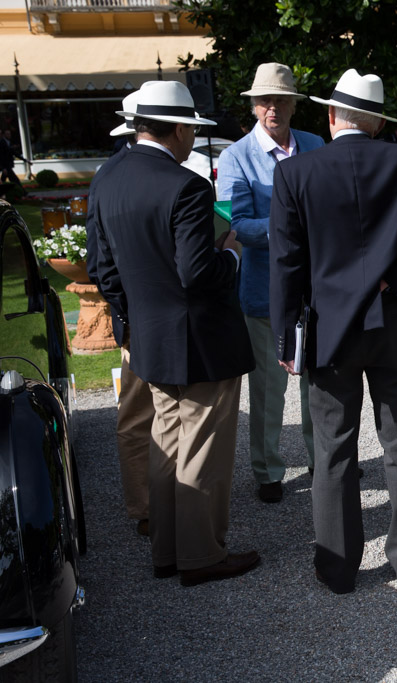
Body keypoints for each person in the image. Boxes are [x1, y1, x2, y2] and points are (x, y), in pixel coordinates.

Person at [269, 69, 397, 594]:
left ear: (331, 117)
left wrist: (288, 338)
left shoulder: (295, 174)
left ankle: (336, 569)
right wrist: (393, 279)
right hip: (391, 320)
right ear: (375, 122)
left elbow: (285, 262)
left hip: (330, 329)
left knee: (333, 449)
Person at [90, 80, 259, 586]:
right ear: (181, 129)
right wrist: (231, 253)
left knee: (165, 441)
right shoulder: (186, 186)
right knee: (202, 445)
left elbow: (103, 267)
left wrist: (128, 320)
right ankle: (202, 554)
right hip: (202, 338)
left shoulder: (108, 177)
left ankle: (167, 549)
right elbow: (196, 273)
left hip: (149, 337)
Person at [217, 63, 325, 504]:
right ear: (253, 106)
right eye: (263, 100)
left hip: (319, 290)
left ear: (294, 104)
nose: (271, 108)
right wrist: (293, 228)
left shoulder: (317, 146)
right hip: (264, 290)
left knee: (319, 385)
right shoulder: (234, 157)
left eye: (279, 99)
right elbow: (237, 226)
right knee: (268, 390)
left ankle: (326, 460)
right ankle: (268, 471)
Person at [86, 88, 155, 537]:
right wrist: (126, 314)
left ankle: (152, 507)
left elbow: (99, 262)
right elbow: (101, 263)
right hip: (140, 318)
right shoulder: (111, 177)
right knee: (137, 413)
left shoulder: (108, 175)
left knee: (143, 414)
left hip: (138, 315)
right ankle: (146, 508)